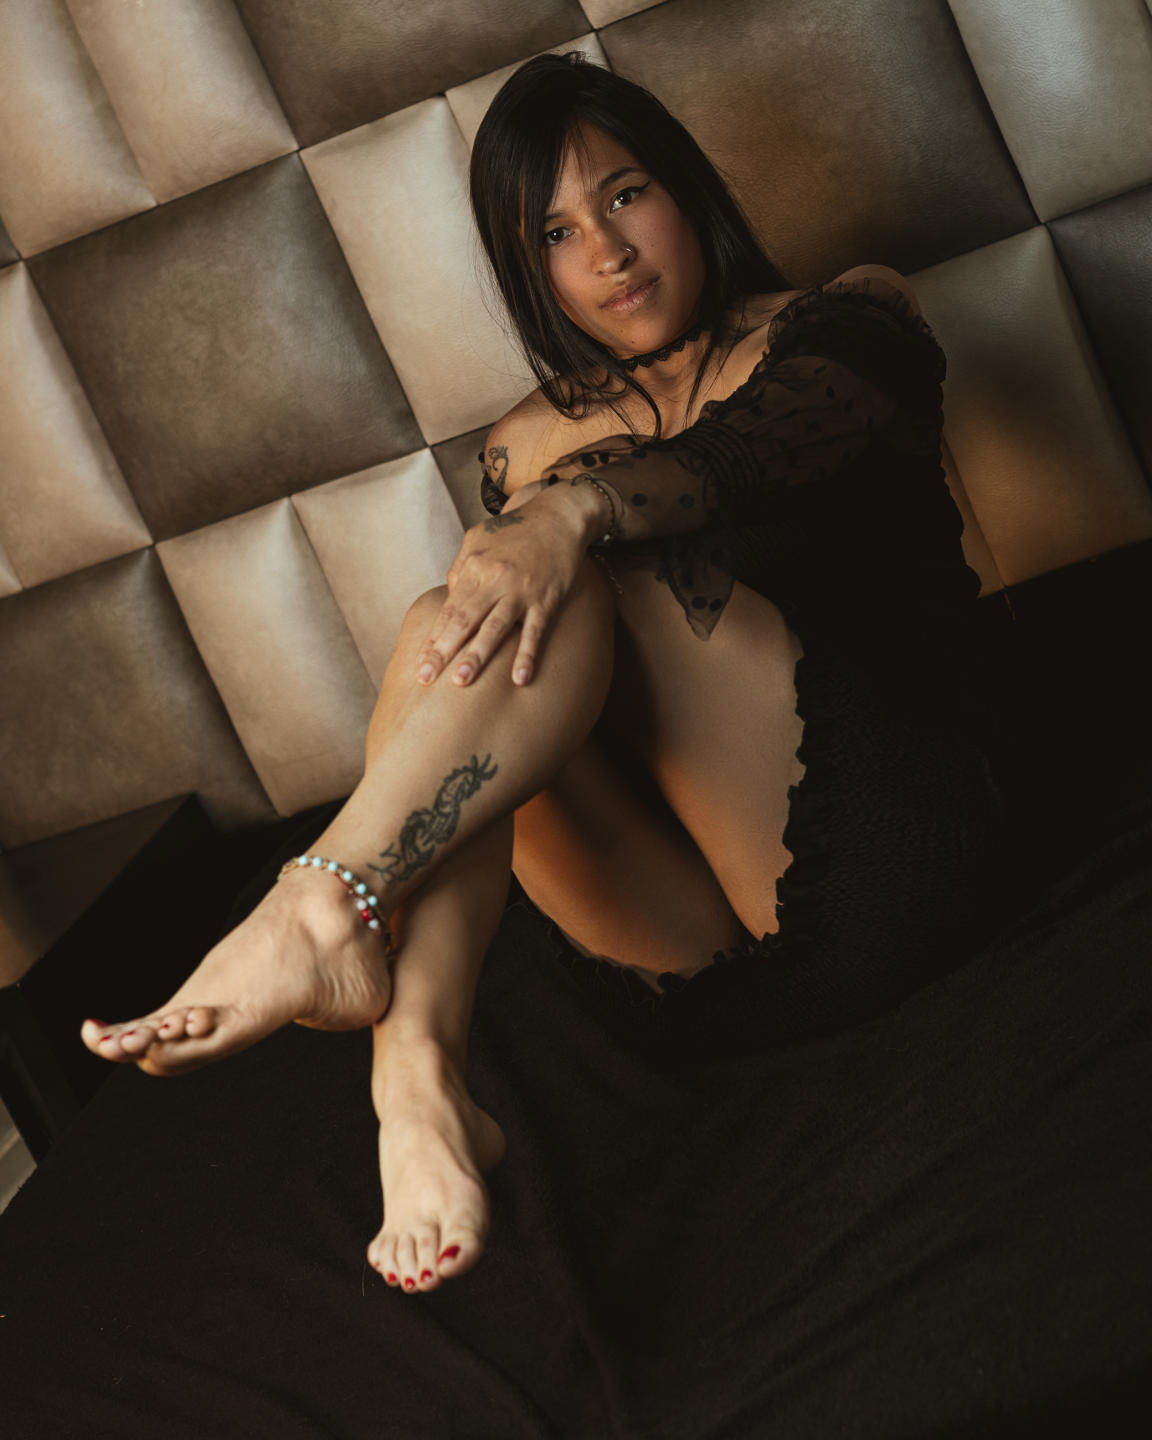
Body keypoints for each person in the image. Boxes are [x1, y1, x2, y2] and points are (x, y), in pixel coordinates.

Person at [78, 54, 1005, 1299]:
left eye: (626, 196)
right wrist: (544, 515)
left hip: (892, 865)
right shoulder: (528, 444)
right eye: (557, 233)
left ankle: (321, 905)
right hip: (683, 970)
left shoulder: (847, 323)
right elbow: (492, 687)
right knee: (450, 619)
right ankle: (416, 1082)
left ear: (684, 188)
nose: (607, 253)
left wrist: (574, 515)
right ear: (532, 271)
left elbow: (743, 454)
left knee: (579, 573)